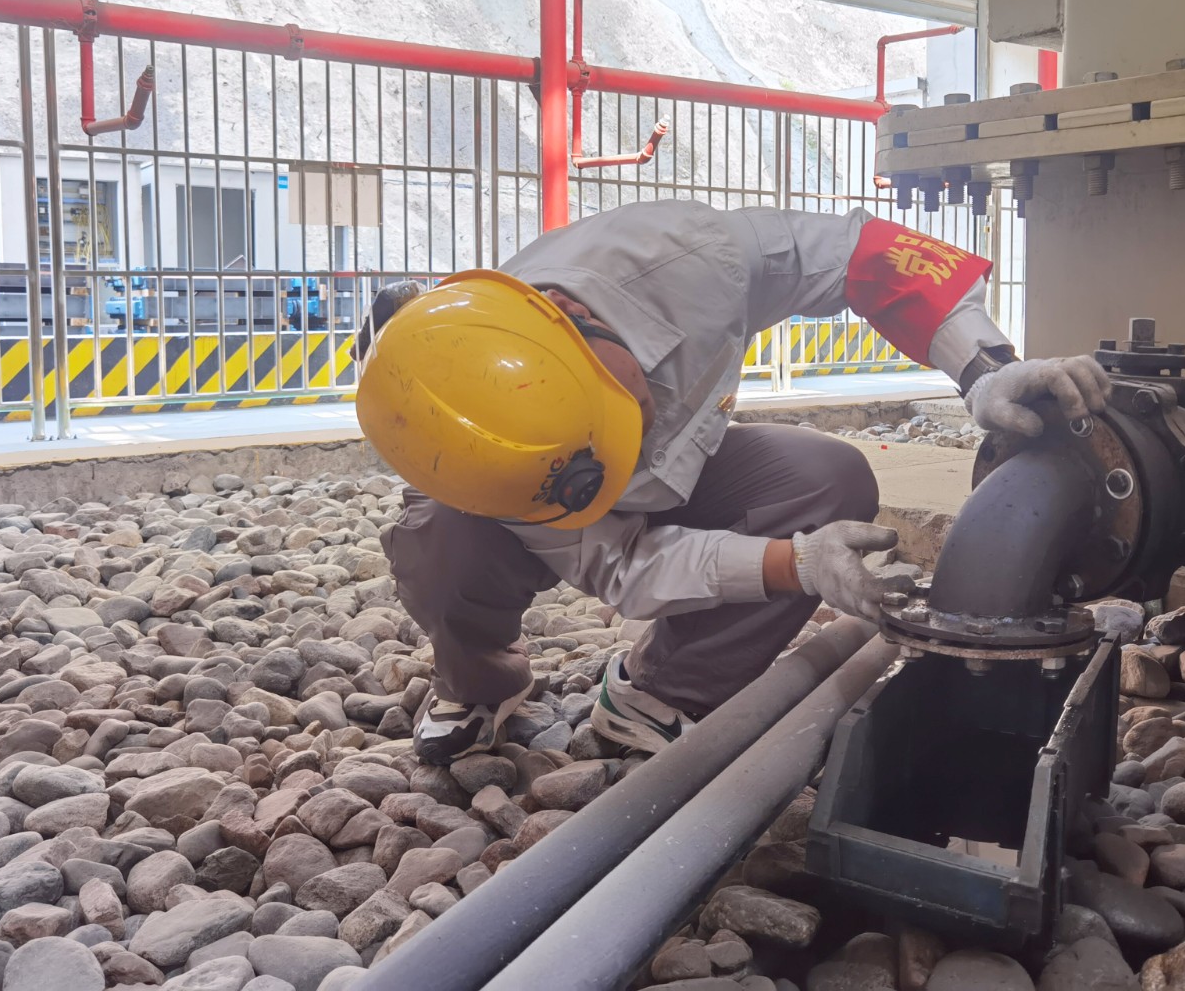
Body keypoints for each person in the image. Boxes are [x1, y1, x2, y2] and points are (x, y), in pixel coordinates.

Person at [355, 199, 1108, 765]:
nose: (627, 438)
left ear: (570, 316)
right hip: (492, 501)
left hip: (683, 465)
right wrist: (794, 564)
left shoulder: (693, 258)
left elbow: (867, 254)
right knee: (444, 540)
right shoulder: (476, 455)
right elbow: (620, 565)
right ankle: (477, 682)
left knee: (827, 478)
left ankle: (659, 692)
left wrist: (984, 368)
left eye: (620, 405)